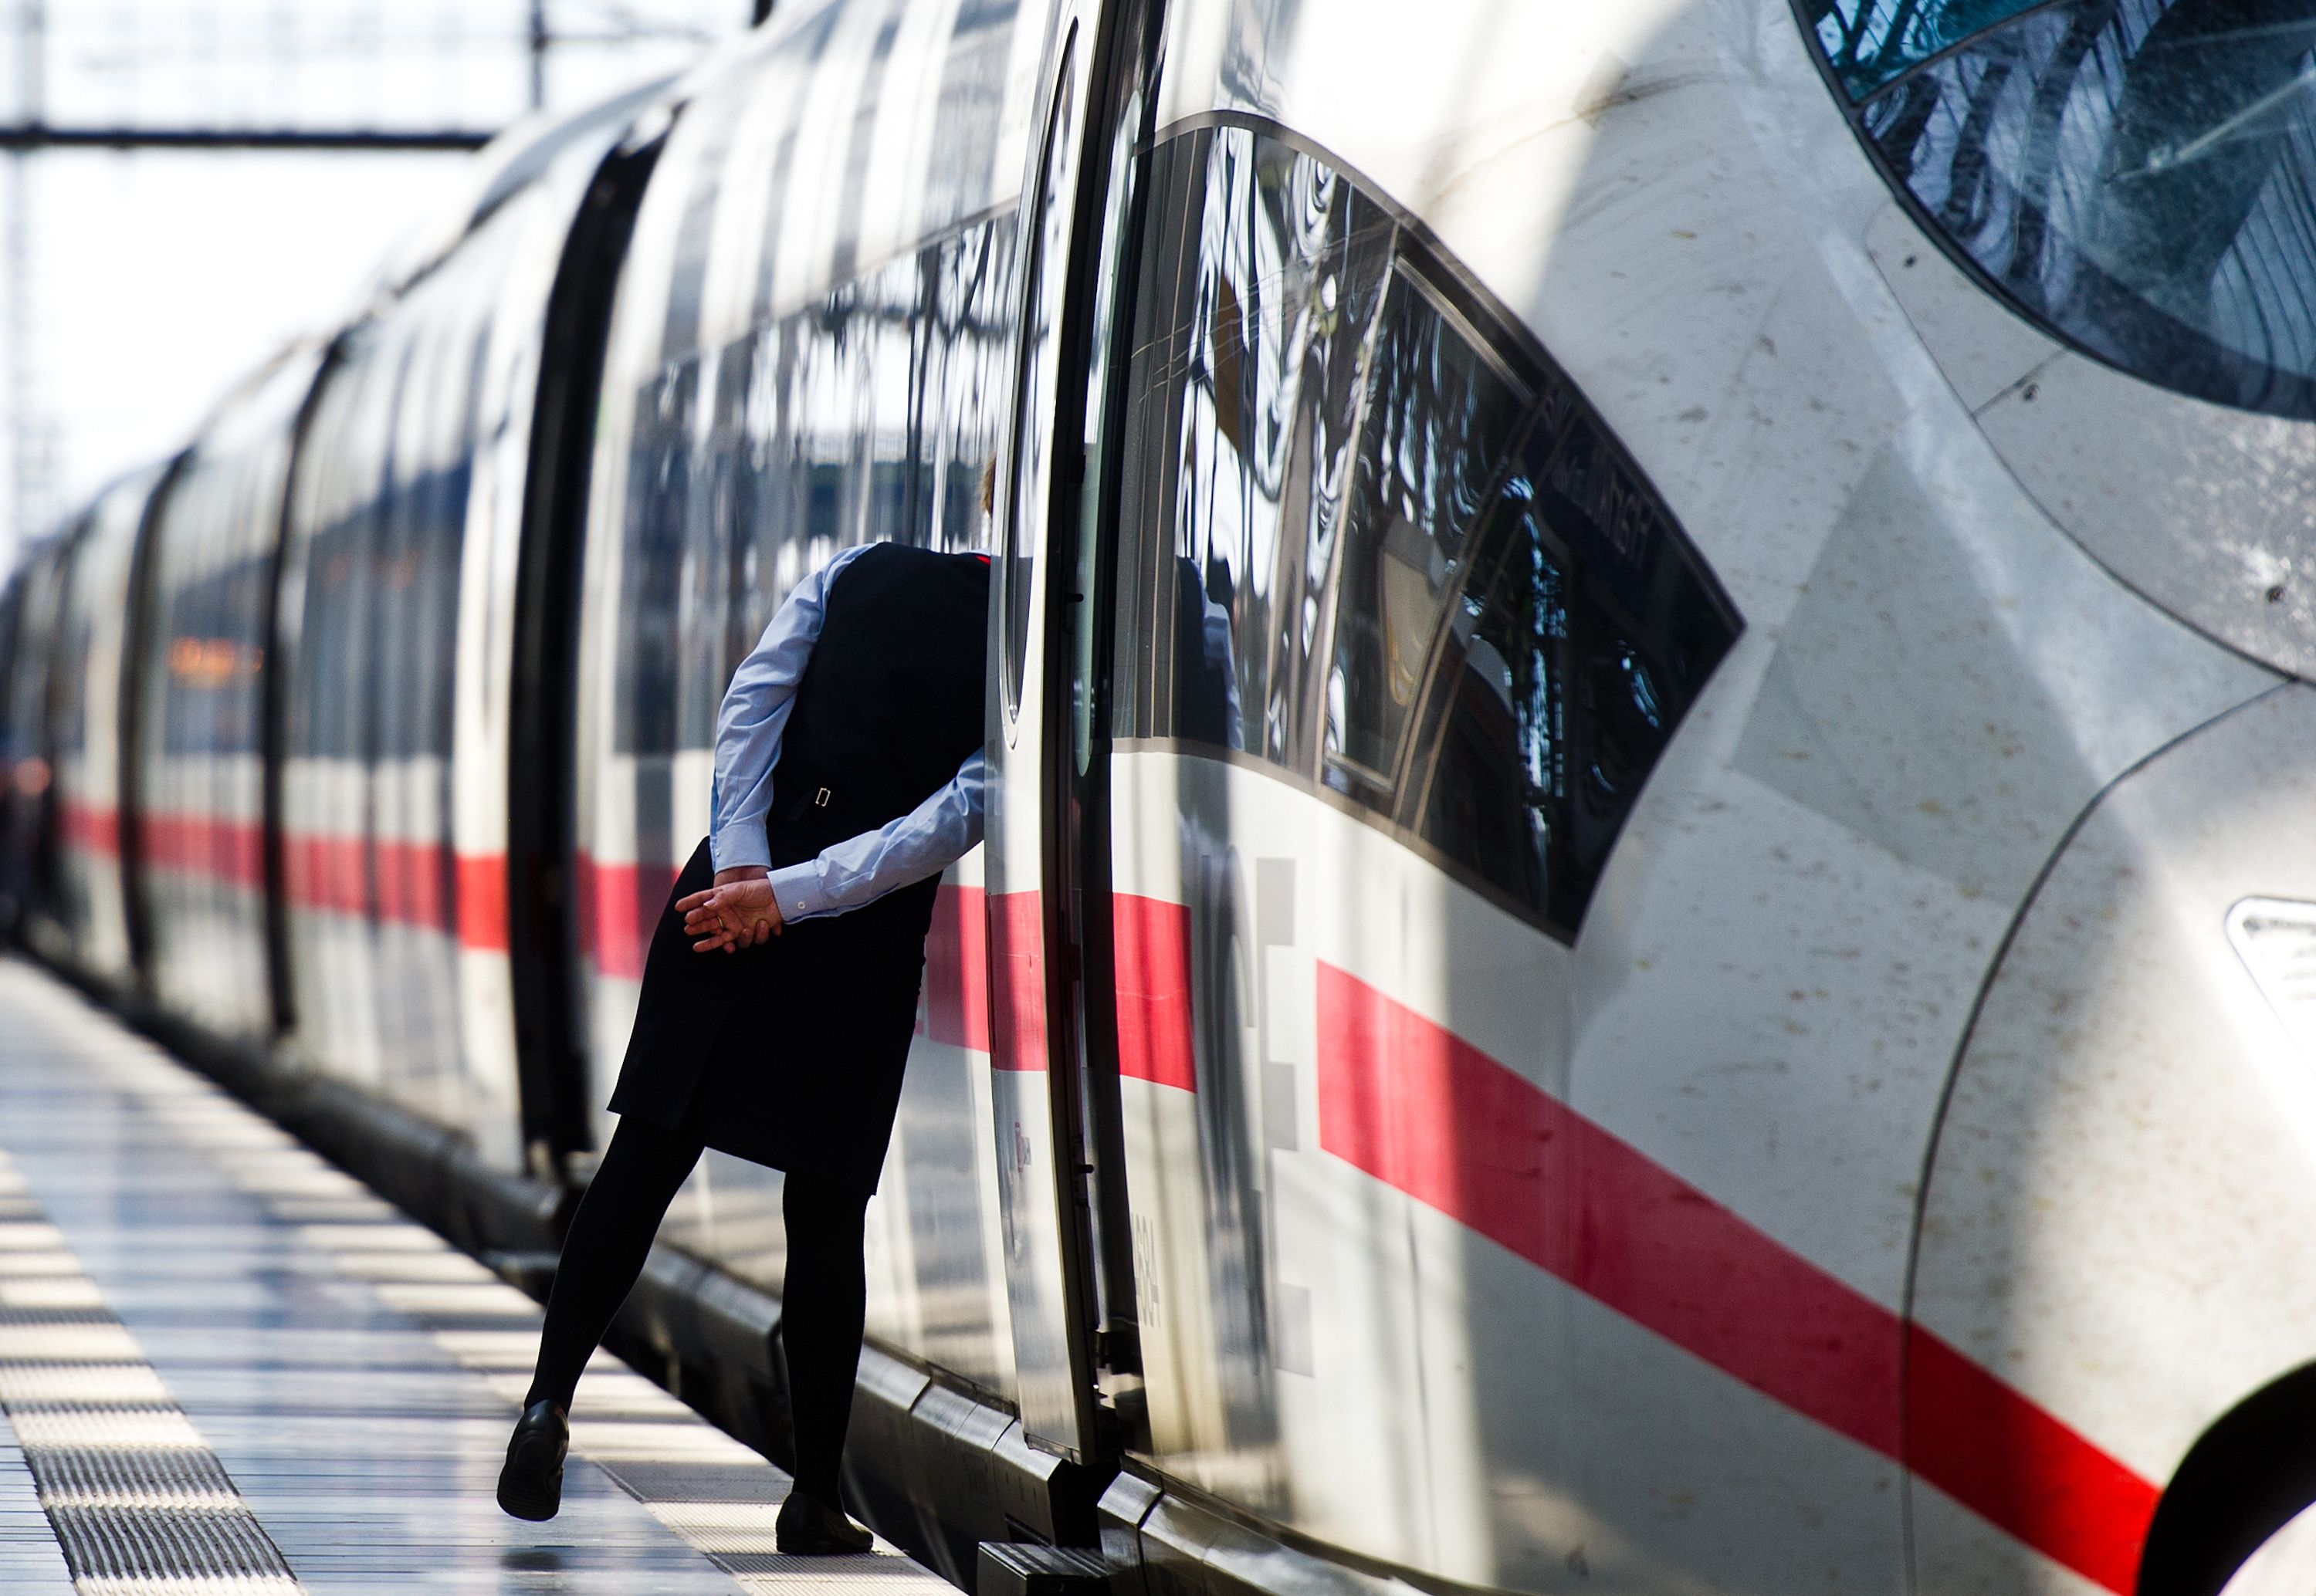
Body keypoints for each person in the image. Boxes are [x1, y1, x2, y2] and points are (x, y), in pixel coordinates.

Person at [496, 537, 990, 1554]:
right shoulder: (1026, 654)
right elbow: (953, 816)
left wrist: (748, 869)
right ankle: (812, 1495)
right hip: (853, 943)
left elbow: (751, 705)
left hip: (721, 905)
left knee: (642, 1161)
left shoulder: (854, 569)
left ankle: (548, 1401)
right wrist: (797, 899)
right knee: (822, 1215)